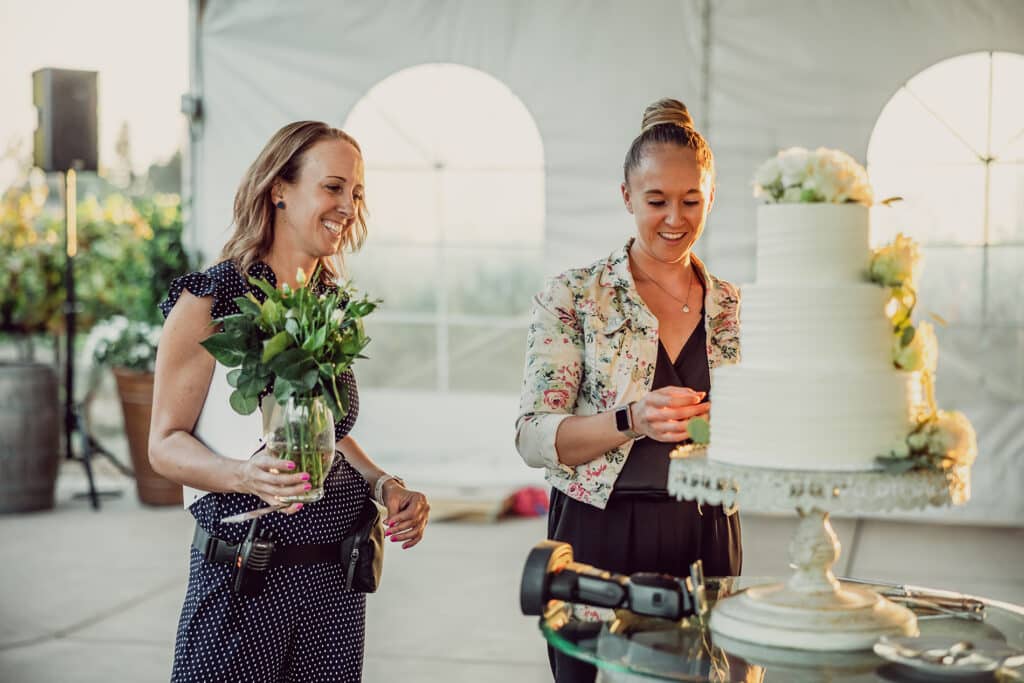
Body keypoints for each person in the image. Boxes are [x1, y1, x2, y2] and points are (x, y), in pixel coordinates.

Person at [150, 120, 430, 682]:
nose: (348, 206)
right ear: (279, 188)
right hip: (245, 579)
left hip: (336, 586)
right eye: (333, 187)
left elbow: (322, 427)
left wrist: (384, 485)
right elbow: (164, 445)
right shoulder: (209, 300)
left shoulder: (329, 302)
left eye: (356, 193)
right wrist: (243, 475)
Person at [515, 99, 742, 683]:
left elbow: (761, 425)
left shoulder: (736, 310)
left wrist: (720, 428)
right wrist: (632, 418)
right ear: (625, 197)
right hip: (598, 531)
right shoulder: (573, 297)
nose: (674, 218)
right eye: (656, 201)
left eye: (691, 201)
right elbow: (534, 438)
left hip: (706, 531)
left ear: (711, 198)